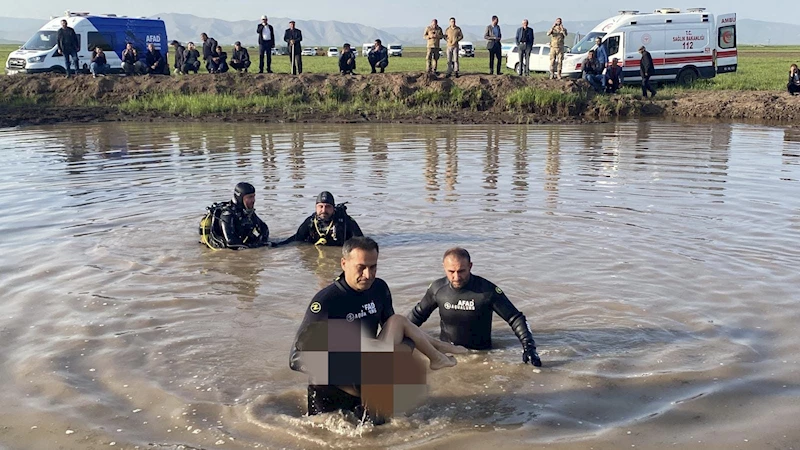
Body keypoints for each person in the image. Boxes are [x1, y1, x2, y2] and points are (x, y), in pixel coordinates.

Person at [289, 237, 465, 419]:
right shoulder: (326, 301)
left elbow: (401, 332)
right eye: (361, 267)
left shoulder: (379, 289)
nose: (368, 274)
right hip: (332, 387)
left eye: (373, 267)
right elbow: (295, 358)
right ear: (344, 263)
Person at [408, 247, 542, 366]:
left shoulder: (487, 291)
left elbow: (515, 318)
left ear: (470, 266)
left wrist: (529, 347)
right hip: (448, 353)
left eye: (461, 271)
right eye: (451, 271)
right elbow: (417, 316)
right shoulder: (437, 289)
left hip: (481, 356)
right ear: (444, 267)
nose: (456, 277)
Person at [198, 182, 271, 250]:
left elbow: (264, 228)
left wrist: (262, 241)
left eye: (253, 196)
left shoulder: (246, 211)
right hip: (222, 251)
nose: (253, 200)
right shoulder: (227, 214)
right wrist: (256, 247)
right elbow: (231, 243)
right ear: (240, 198)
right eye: (249, 197)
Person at [278, 191, 363, 247]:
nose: (324, 210)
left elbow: (361, 241)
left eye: (328, 207)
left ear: (333, 208)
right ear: (316, 208)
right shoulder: (310, 222)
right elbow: (297, 238)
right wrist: (277, 245)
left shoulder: (346, 221)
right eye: (320, 206)